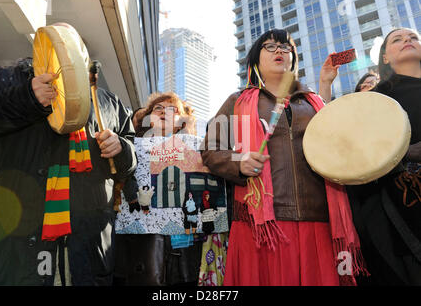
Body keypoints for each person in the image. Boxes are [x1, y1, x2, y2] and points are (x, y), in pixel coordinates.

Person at [0, 24, 137, 286]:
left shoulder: (109, 102)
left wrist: (122, 148)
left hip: (85, 246)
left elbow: (128, 164)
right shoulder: (5, 79)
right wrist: (27, 97)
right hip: (12, 245)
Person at [201, 29, 367, 286]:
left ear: (293, 59)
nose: (279, 50)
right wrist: (239, 162)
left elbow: (335, 146)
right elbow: (211, 149)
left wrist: (325, 87)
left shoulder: (314, 103)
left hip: (320, 219)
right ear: (255, 61)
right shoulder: (237, 101)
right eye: (270, 46)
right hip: (262, 224)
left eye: (285, 47)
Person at [346, 28, 421, 285]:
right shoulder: (378, 98)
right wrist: (406, 151)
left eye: (413, 37)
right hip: (406, 210)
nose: (407, 41)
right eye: (397, 40)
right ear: (385, 57)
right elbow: (361, 149)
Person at [114, 92, 203, 286]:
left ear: (182, 120)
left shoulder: (199, 150)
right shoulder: (129, 148)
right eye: (158, 108)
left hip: (184, 246)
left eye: (173, 109)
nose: (164, 112)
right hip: (141, 242)